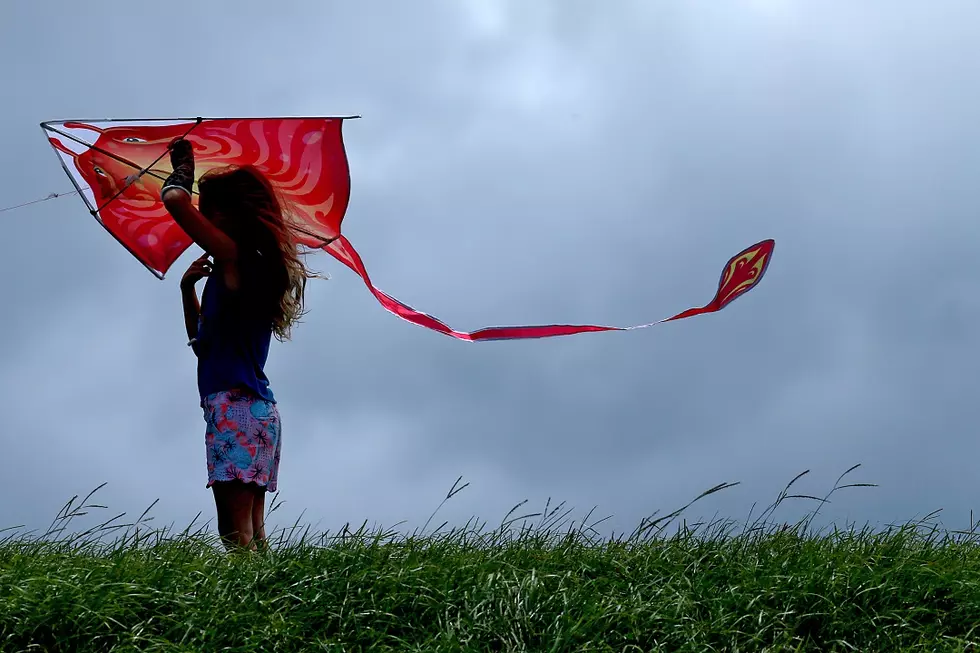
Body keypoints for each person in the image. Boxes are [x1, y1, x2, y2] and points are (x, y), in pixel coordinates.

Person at [161, 138, 312, 552]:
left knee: (235, 532)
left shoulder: (234, 257)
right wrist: (186, 288)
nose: (202, 220)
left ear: (226, 216)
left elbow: (174, 201)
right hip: (253, 410)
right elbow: (201, 344)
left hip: (237, 408)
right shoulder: (241, 271)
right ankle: (264, 604)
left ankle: (250, 608)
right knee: (252, 533)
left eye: (207, 212)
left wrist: (182, 171)